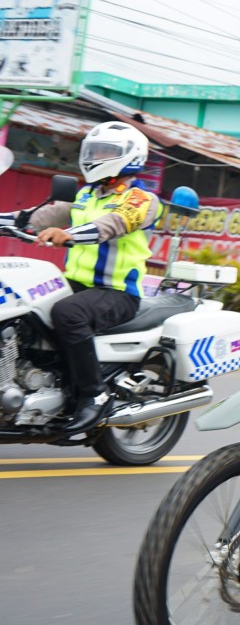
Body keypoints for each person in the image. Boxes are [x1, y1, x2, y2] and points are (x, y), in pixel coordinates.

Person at [0, 121, 160, 433]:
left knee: (67, 312)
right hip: (76, 284)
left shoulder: (142, 199)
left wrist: (67, 234)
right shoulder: (86, 195)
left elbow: (112, 225)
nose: (96, 156)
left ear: (131, 156)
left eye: (105, 152)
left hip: (116, 291)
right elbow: (34, 216)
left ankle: (94, 394)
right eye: (94, 150)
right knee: (24, 304)